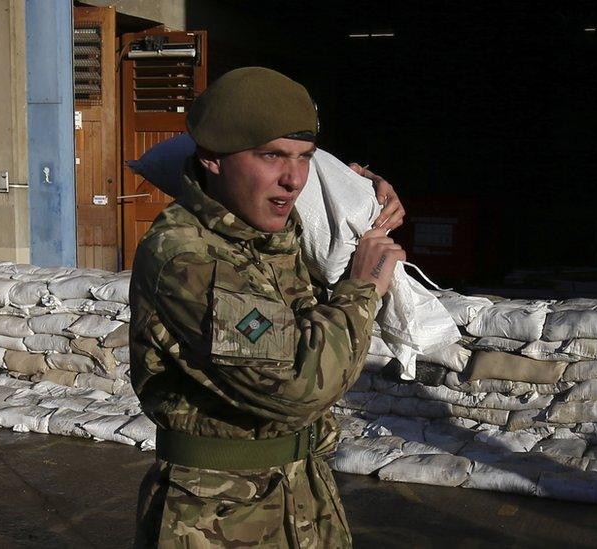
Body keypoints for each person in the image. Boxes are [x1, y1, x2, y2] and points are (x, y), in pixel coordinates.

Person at [129, 66, 406, 548]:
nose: (293, 179)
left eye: (305, 159)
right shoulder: (189, 257)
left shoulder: (263, 226)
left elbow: (315, 216)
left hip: (301, 495)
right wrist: (363, 289)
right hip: (218, 517)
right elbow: (299, 383)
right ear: (213, 159)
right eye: (271, 156)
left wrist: (356, 191)